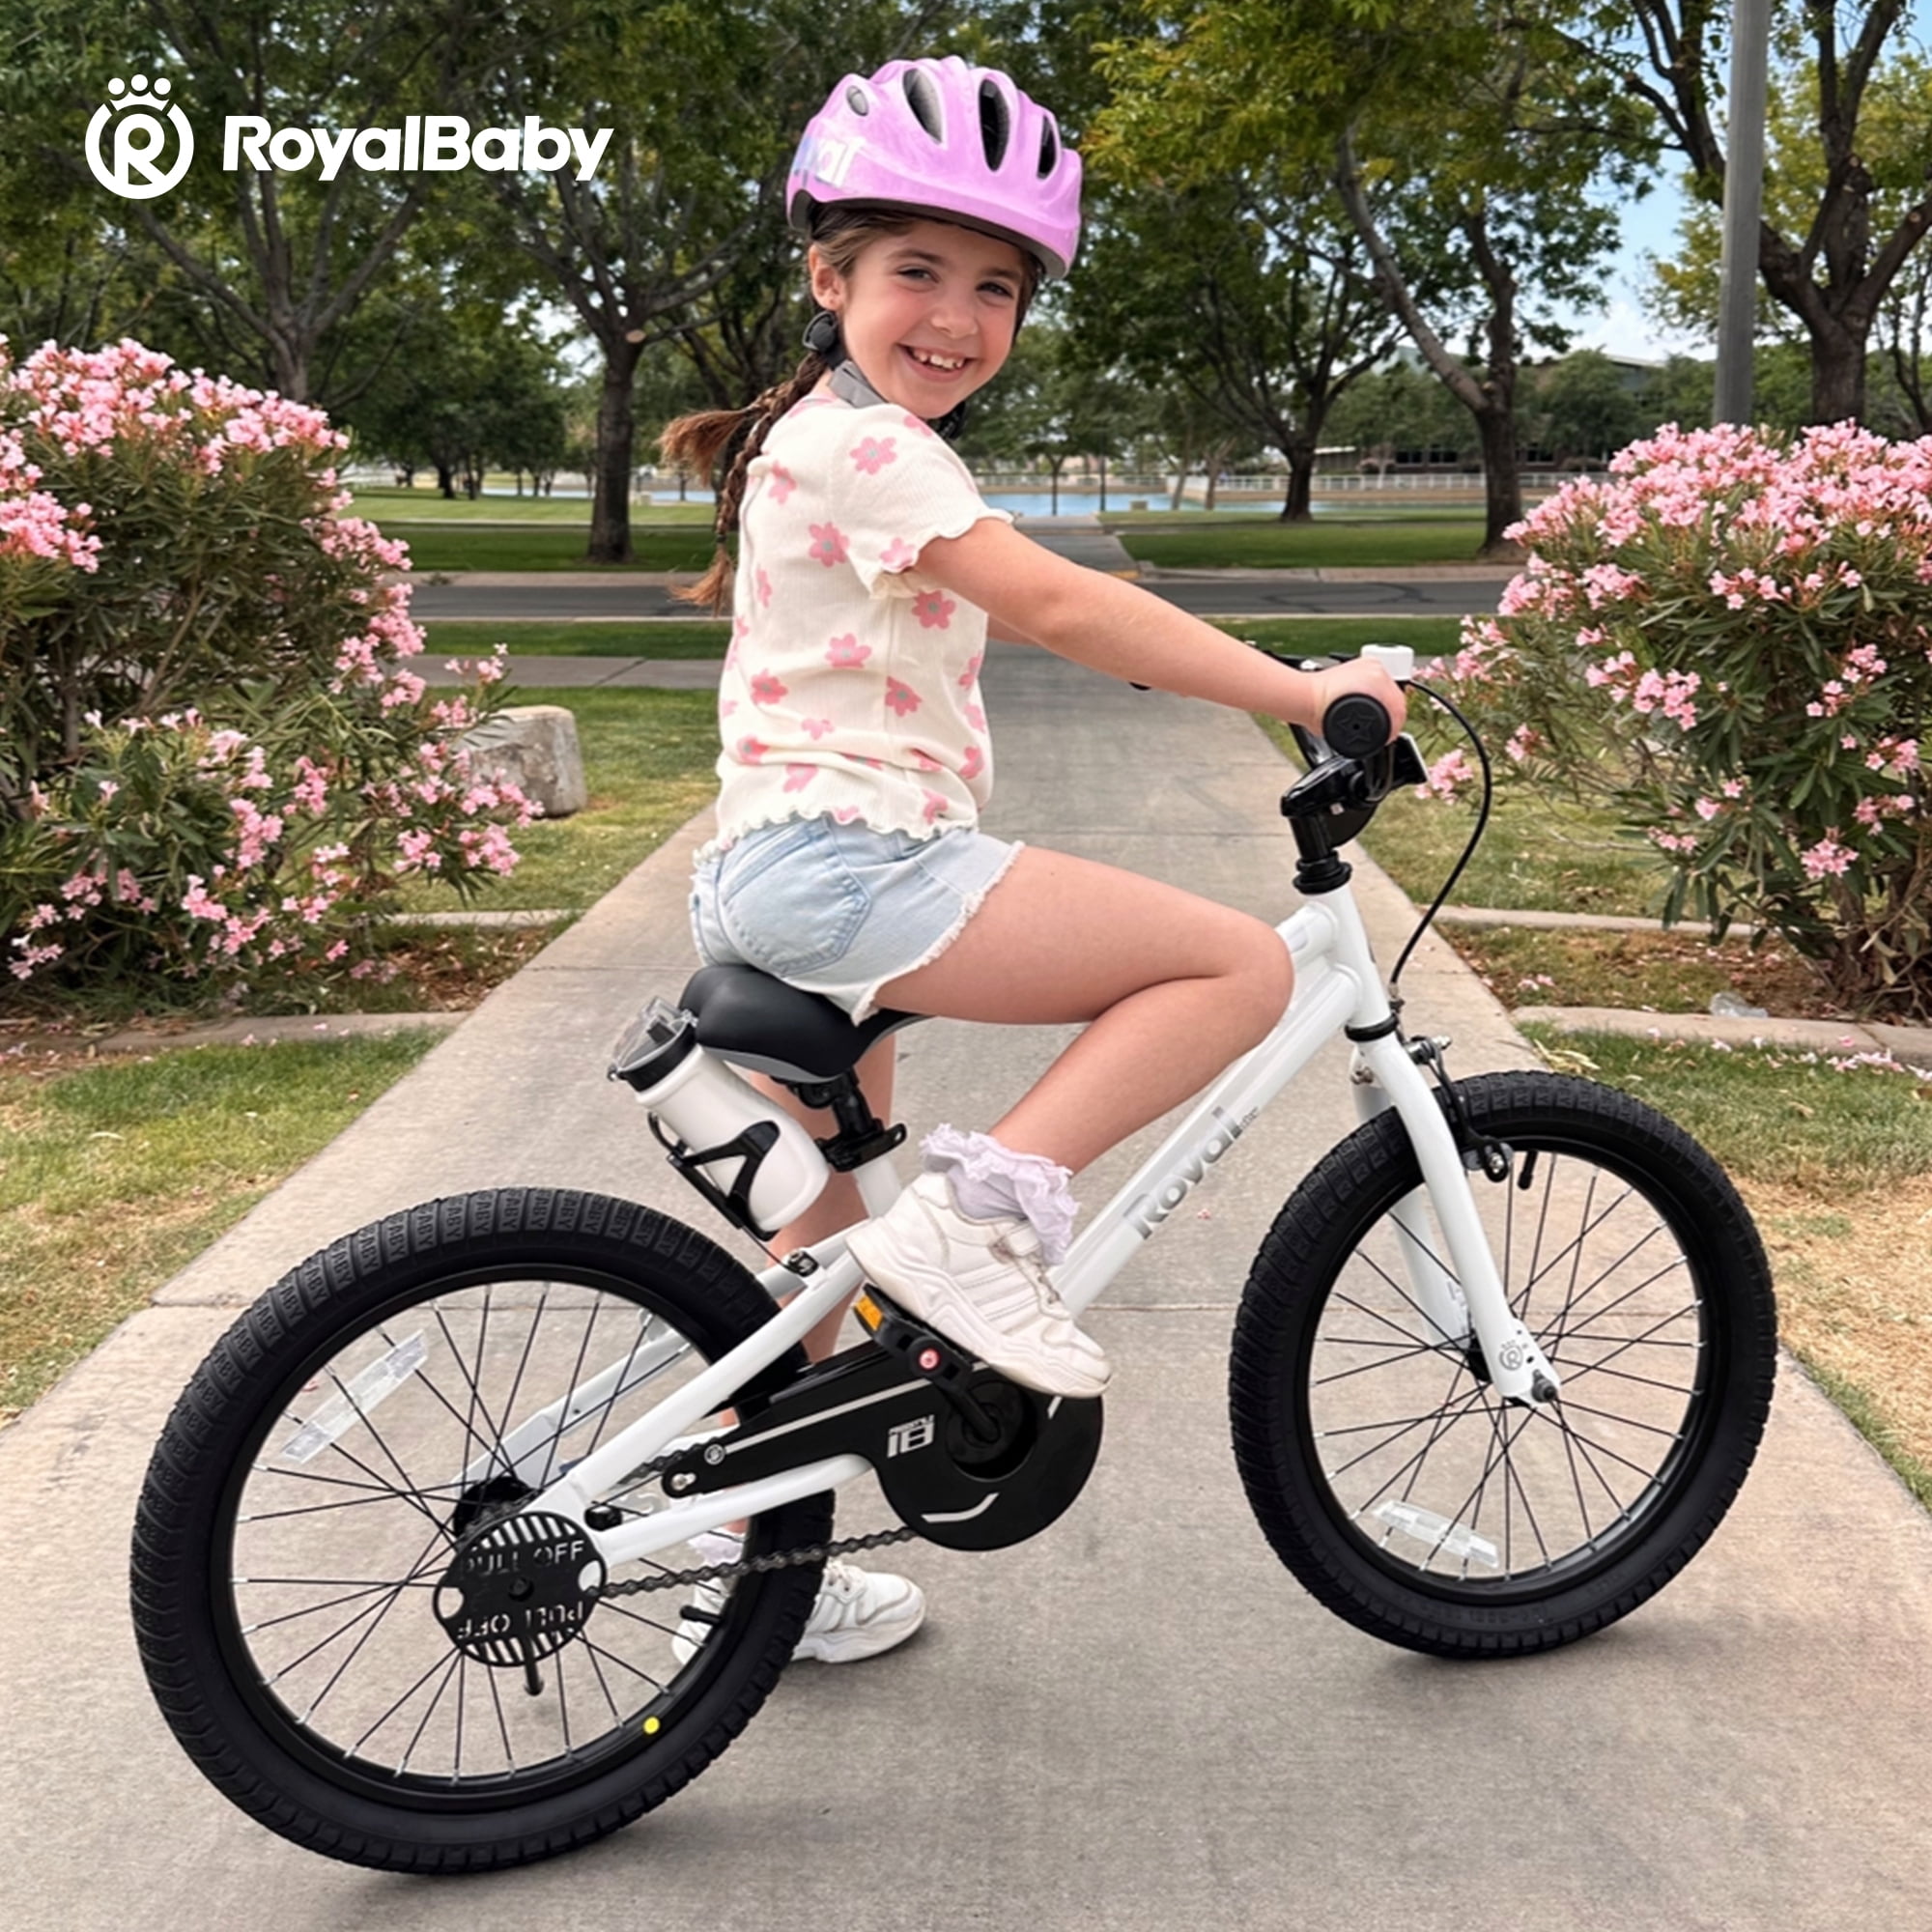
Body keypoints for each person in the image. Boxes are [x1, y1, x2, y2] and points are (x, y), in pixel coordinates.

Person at [662, 55, 1406, 1661]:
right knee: (1235, 966)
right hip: (853, 864)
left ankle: (750, 1558)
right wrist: (1308, 693)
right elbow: (1064, 604)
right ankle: (979, 1231)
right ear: (829, 278)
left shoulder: (822, 434)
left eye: (994, 286)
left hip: (775, 876)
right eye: (916, 270)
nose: (955, 314)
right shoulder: (875, 449)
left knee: (825, 1282)